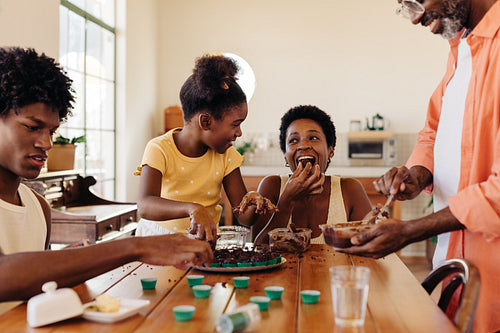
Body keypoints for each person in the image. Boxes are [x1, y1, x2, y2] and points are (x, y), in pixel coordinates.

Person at [0, 47, 213, 304]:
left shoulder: (38, 207)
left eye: (52, 130)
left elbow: (34, 291)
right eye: (32, 127)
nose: (46, 143)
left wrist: (69, 261)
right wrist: (137, 247)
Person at [338, 1, 500, 332]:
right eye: (403, 7)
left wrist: (411, 230)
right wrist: (415, 175)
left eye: (414, 1)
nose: (414, 18)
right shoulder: (462, 49)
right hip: (457, 268)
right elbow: (434, 132)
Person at [135, 54, 276, 241]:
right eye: (235, 124)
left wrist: (253, 203)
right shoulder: (160, 148)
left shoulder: (227, 156)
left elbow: (244, 218)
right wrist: (193, 208)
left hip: (203, 242)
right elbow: (145, 206)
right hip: (157, 240)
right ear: (206, 121)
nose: (239, 133)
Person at [245, 105, 373, 244]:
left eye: (313, 138)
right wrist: (287, 201)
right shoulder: (272, 187)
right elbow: (258, 252)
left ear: (330, 150)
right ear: (285, 156)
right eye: (293, 140)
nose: (303, 145)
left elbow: (369, 253)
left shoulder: (350, 190)